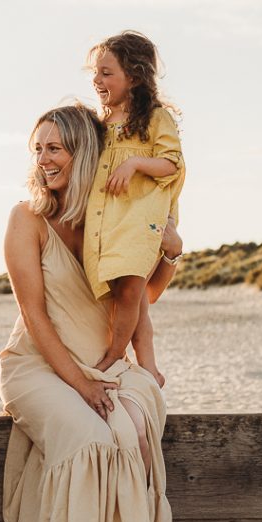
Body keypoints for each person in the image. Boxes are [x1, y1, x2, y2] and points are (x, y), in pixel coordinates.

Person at [0, 104, 181, 522]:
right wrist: (80, 386)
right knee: (87, 436)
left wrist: (168, 253)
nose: (44, 160)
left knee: (135, 431)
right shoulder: (27, 219)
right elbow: (35, 316)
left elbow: (138, 301)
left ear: (84, 154)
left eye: (55, 148)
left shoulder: (112, 222)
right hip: (37, 363)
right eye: (37, 149)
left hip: (101, 361)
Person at [85, 31, 184, 387]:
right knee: (134, 297)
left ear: (136, 76)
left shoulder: (155, 118)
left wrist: (135, 164)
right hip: (108, 222)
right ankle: (150, 366)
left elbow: (171, 164)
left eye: (107, 72)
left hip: (141, 218)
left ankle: (115, 353)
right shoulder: (100, 125)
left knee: (130, 289)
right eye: (95, 73)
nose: (97, 80)